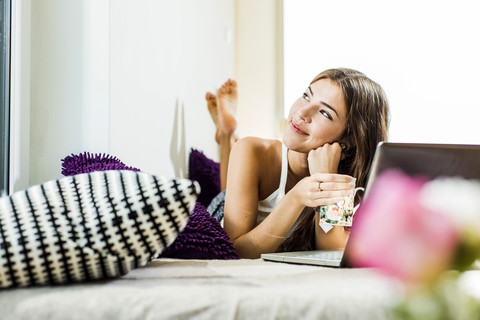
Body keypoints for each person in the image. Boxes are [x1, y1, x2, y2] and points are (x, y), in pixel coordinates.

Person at [205, 68, 389, 259]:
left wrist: (324, 179)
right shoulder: (252, 149)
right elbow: (237, 251)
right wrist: (297, 196)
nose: (302, 112)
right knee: (223, 196)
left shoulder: (350, 182)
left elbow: (331, 252)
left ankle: (226, 134)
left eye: (325, 113)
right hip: (221, 213)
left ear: (350, 139)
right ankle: (227, 135)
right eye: (306, 96)